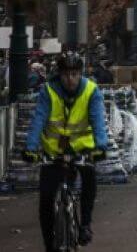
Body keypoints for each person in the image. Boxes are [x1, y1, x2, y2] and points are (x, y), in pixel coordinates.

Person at [24, 53, 108, 250]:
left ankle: (85, 224)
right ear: (59, 75)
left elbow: (98, 121)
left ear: (81, 74)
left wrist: (100, 147)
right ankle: (49, 246)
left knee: (89, 177)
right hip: (53, 150)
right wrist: (30, 148)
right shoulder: (48, 91)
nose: (70, 79)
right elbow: (38, 120)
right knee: (46, 200)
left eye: (75, 74)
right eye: (66, 74)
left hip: (82, 148)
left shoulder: (91, 90)